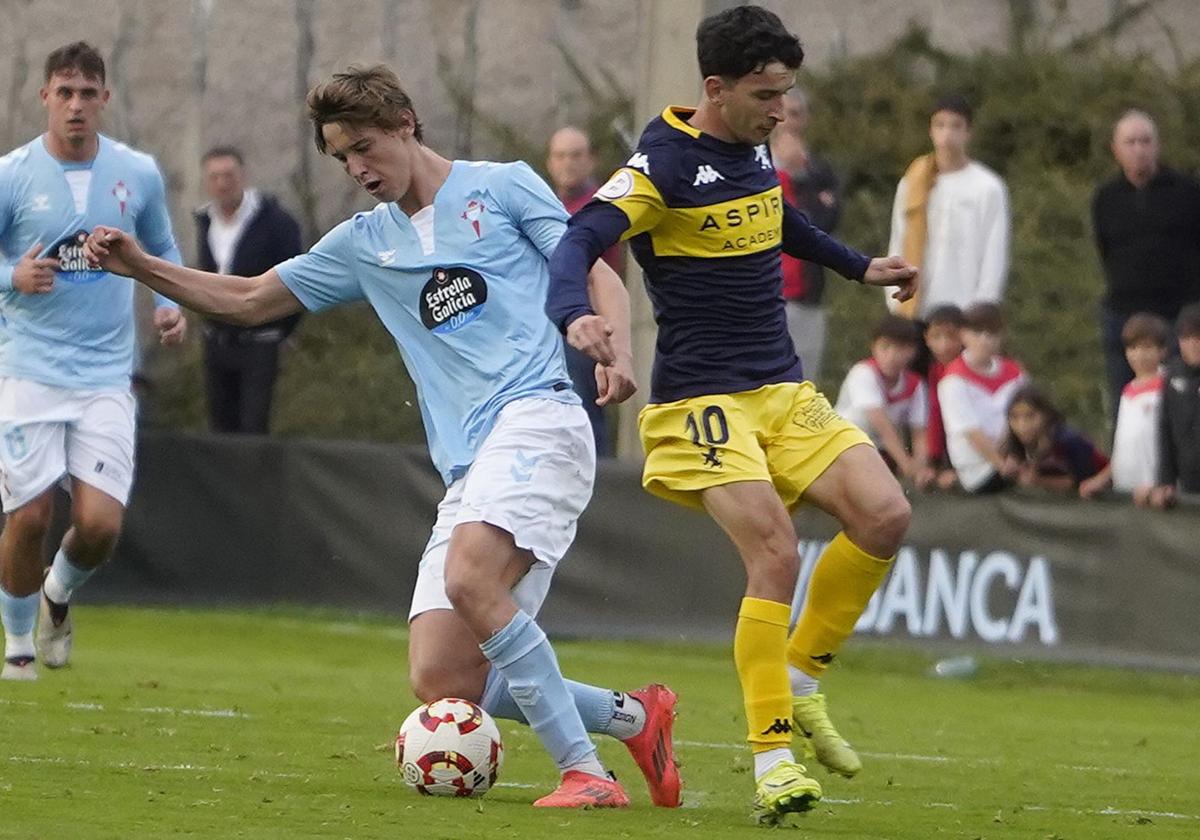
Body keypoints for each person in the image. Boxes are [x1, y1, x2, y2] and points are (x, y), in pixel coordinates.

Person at [84, 64, 681, 810]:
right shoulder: (365, 244)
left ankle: (586, 773)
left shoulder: (503, 186)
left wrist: (620, 351)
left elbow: (596, 273)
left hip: (541, 419)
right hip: (469, 467)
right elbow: (246, 300)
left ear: (405, 121)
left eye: (364, 146)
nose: (357, 168)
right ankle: (636, 716)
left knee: (471, 580)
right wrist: (141, 266)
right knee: (445, 679)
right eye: (341, 158)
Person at [546, 6, 918, 824]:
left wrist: (858, 267)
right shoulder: (657, 167)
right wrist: (577, 315)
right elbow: (576, 242)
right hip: (700, 402)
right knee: (776, 556)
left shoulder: (750, 147)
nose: (780, 110)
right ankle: (774, 761)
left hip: (779, 391)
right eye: (765, 95)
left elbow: (776, 219)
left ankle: (804, 681)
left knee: (886, 515)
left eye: (786, 93)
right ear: (715, 89)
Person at [0, 42, 187, 682]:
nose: (76, 105)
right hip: (27, 371)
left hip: (106, 376)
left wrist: (167, 302)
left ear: (104, 98)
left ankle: (57, 592)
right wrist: (12, 276)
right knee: (28, 517)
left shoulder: (136, 173)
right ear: (45, 97)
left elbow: (161, 247)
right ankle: (19, 644)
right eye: (65, 92)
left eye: (87, 93)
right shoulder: (13, 173)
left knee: (100, 525)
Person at [1092, 110, 1200, 407]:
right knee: (1125, 403)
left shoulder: (1188, 192)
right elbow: (1105, 249)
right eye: (1130, 142)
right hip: (1123, 318)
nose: (1138, 149)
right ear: (1115, 149)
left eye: (1145, 141)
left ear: (1157, 145)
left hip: (1177, 317)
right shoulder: (1105, 198)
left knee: (1181, 404)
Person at [195, 146, 304, 434]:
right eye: (214, 177)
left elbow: (296, 278)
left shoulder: (274, 221)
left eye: (228, 175)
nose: (222, 184)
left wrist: (283, 329)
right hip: (216, 340)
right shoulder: (205, 222)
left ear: (242, 176)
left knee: (253, 424)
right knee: (220, 424)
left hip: (259, 338)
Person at [885, 94, 1009, 322]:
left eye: (955, 126)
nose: (947, 134)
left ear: (968, 132)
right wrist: (895, 300)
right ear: (931, 130)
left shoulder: (988, 187)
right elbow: (899, 239)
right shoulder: (913, 182)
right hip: (914, 308)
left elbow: (994, 254)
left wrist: (982, 308)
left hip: (964, 311)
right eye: (940, 125)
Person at [545, 126, 621, 455]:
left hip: (586, 326)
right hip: (549, 326)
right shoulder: (544, 206)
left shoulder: (601, 206)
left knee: (586, 416)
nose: (568, 164)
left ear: (590, 161)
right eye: (561, 156)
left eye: (576, 155)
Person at [770, 87, 841, 381]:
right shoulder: (751, 165)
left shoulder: (819, 173)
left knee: (803, 383)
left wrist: (801, 179)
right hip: (765, 294)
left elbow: (822, 223)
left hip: (806, 296)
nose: (789, 121)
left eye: (796, 114)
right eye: (783, 113)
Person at [937, 303, 1026, 493]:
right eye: (977, 333)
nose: (985, 340)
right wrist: (1001, 464)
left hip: (1013, 456)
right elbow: (971, 432)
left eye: (992, 333)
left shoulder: (1015, 373)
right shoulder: (953, 381)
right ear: (963, 335)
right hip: (978, 471)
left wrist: (1011, 454)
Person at [834, 316, 932, 487]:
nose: (892, 356)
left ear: (913, 351)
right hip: (842, 446)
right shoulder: (863, 373)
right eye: (885, 347)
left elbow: (919, 433)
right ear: (874, 348)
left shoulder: (916, 385)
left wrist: (920, 466)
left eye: (901, 348)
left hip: (879, 450)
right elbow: (882, 426)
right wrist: (906, 464)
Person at [1079, 313, 1168, 499]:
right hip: (1126, 492)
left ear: (1162, 350)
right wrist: (1101, 479)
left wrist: (1162, 485)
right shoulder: (1127, 392)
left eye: (1147, 347)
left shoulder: (1169, 388)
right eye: (1133, 348)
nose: (1139, 355)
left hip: (1156, 494)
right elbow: (1122, 448)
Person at [1143, 303, 1200, 508]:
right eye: (1186, 338)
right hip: (1187, 486)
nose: (1193, 345)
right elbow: (1165, 430)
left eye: (1198, 338)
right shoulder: (1172, 375)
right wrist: (1164, 482)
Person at [1001, 385, 1108, 493]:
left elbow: (1081, 483)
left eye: (1030, 416)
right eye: (1014, 417)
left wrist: (1037, 481)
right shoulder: (1016, 438)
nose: (1022, 426)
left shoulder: (1069, 441)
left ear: (1046, 415)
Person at [922, 305, 964, 490]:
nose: (944, 345)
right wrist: (932, 463)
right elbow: (936, 415)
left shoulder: (968, 370)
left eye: (952, 336)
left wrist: (956, 467)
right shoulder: (935, 371)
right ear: (926, 339)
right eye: (937, 337)